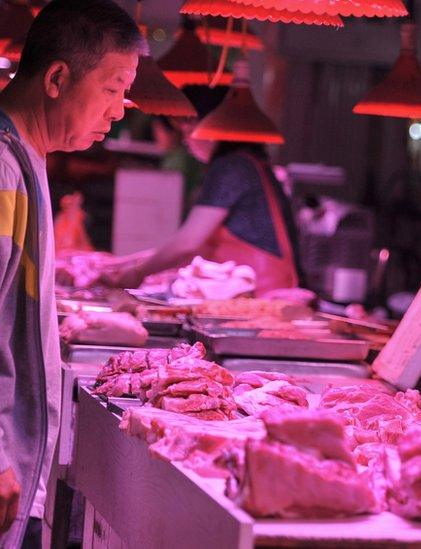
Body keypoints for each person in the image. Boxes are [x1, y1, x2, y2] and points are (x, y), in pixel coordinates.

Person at [0, 0, 144, 545]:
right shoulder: (2, 164)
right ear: (58, 78)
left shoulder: (26, 158)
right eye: (112, 87)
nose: (121, 109)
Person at [102, 89, 303, 295]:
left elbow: (187, 243)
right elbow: (196, 248)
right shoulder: (244, 163)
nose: (185, 137)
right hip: (247, 294)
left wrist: (136, 273)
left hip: (262, 296)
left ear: (215, 124)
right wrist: (121, 264)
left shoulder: (232, 167)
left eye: (189, 125)